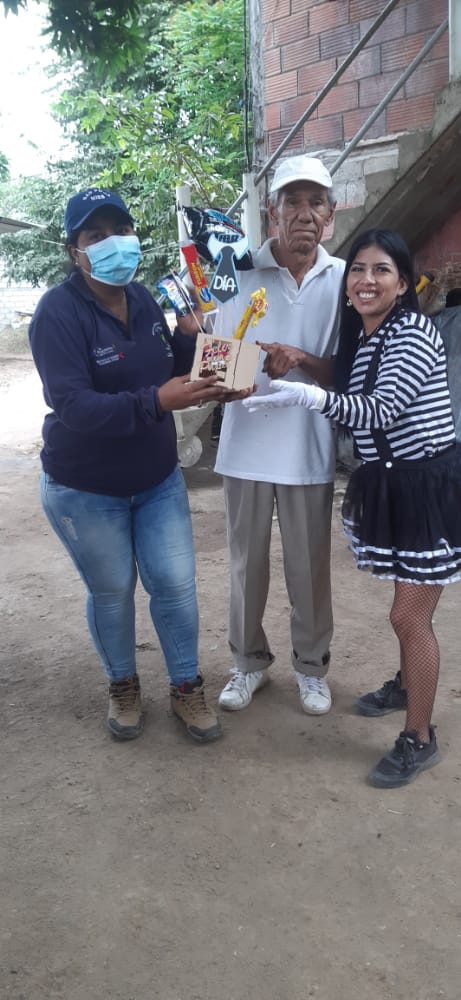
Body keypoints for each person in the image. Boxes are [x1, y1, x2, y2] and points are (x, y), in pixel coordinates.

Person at [29, 186, 249, 744]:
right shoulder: (57, 312)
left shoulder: (146, 299)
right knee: (113, 590)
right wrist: (155, 401)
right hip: (85, 486)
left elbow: (171, 372)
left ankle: (186, 687)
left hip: (156, 478)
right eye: (96, 235)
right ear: (75, 250)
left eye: (120, 231)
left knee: (174, 584)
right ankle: (122, 685)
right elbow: (73, 404)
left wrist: (193, 343)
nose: (114, 243)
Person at [244, 228, 461, 787]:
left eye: (381, 270)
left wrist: (306, 395)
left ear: (403, 282)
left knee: (408, 617)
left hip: (427, 488)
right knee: (407, 610)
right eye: (358, 270)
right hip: (393, 482)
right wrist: (299, 366)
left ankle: (420, 738)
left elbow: (379, 409)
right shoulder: (366, 336)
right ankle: (409, 686)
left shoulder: (412, 332)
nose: (366, 280)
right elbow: (349, 389)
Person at [214, 155, 345, 715]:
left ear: (331, 214)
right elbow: (217, 362)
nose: (304, 214)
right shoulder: (238, 271)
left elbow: (349, 373)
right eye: (293, 202)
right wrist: (228, 384)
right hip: (245, 446)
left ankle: (311, 669)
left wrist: (301, 358)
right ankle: (248, 663)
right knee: (246, 566)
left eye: (316, 203)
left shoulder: (345, 280)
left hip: (308, 449)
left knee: (309, 568)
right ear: (273, 211)